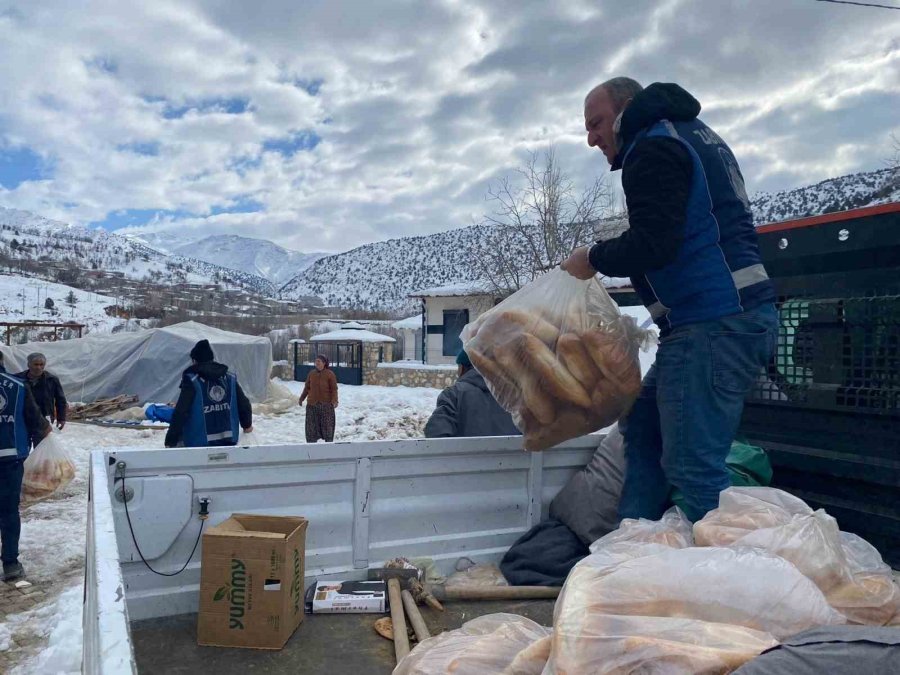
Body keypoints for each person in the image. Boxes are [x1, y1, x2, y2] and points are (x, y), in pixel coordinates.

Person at [562, 77, 778, 523]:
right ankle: (634, 545)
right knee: (642, 427)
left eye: (596, 123)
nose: (592, 139)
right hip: (716, 322)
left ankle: (725, 583)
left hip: (713, 323)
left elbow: (654, 243)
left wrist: (592, 257)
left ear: (626, 109)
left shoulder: (654, 148)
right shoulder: (692, 137)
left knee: (693, 469)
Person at [0, 351, 51, 581]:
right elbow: (37, 422)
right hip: (10, 460)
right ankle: (10, 563)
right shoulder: (19, 386)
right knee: (9, 511)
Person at [164, 340, 253, 448]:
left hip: (198, 444)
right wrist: (247, 424)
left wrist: (170, 440)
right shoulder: (229, 378)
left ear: (194, 360)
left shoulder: (192, 381)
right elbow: (244, 404)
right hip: (228, 441)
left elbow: (181, 411)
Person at [424, 349, 521, 438]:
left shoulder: (454, 395)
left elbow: (436, 434)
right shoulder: (519, 396)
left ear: (462, 368)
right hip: (517, 457)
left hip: (464, 457)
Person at [16, 352, 67, 431]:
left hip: (44, 419)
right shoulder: (17, 379)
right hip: (23, 418)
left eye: (41, 364)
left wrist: (61, 418)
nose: (39, 367)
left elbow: (60, 400)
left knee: (43, 442)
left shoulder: (52, 380)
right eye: (36, 364)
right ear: (29, 365)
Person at [298, 355, 338, 443]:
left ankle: (328, 445)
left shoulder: (330, 374)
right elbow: (307, 388)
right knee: (311, 428)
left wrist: (334, 401)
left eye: (319, 361)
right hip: (312, 405)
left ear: (324, 363)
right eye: (316, 361)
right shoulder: (311, 374)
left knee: (327, 428)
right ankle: (311, 446)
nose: (317, 363)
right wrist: (301, 398)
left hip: (326, 406)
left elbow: (334, 389)